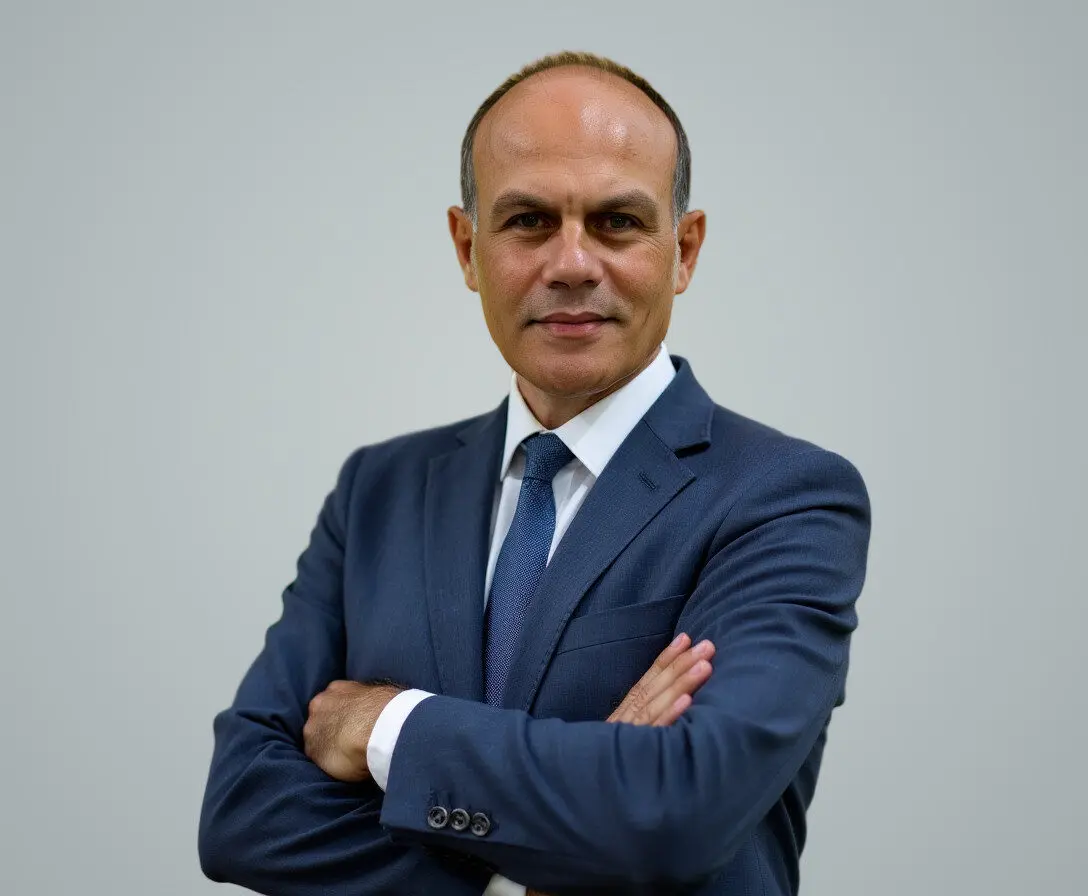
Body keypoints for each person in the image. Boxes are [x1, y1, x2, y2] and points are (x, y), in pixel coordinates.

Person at [198, 51, 871, 896]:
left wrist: (389, 725)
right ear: (467, 248)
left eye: (617, 221)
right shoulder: (378, 492)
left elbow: (682, 811)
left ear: (685, 250)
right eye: (528, 221)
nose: (572, 264)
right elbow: (242, 814)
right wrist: (565, 841)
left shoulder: (786, 500)